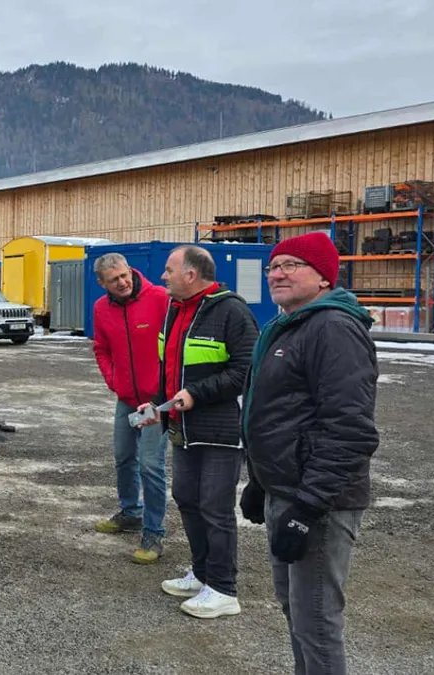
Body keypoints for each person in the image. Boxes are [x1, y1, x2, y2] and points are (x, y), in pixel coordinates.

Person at [239, 232, 378, 675]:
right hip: (285, 490)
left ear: (323, 277)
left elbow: (349, 430)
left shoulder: (332, 328)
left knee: (315, 620)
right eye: (273, 266)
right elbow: (277, 415)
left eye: (291, 265)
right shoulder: (287, 326)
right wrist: (259, 481)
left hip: (319, 502)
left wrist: (307, 508)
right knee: (296, 612)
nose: (277, 274)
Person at [136, 244, 258, 619]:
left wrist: (196, 394)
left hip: (220, 431)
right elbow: (171, 368)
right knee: (187, 498)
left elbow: (247, 370)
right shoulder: (177, 309)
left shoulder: (232, 311)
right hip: (183, 427)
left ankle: (223, 589)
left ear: (191, 274)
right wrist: (158, 405)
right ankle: (203, 574)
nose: (162, 276)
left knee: (215, 508)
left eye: (169, 270)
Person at [90, 253, 171, 564]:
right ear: (102, 283)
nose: (122, 282)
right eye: (114, 280)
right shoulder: (101, 308)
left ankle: (154, 533)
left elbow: (175, 343)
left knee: (150, 464)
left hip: (156, 401)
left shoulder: (160, 298)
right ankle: (130, 512)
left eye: (124, 275)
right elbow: (101, 348)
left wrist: (164, 389)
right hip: (127, 399)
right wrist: (114, 380)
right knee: (124, 456)